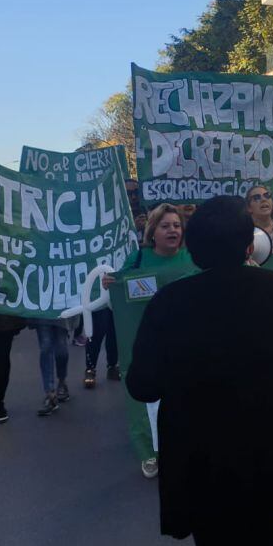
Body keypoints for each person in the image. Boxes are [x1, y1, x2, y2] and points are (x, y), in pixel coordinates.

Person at [127, 196, 273, 546]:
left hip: (201, 458)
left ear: (195, 245)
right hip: (265, 445)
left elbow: (142, 385)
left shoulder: (169, 303)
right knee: (265, 533)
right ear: (249, 244)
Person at [103, 204, 193, 478]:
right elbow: (119, 284)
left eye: (176, 225)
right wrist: (111, 282)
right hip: (148, 341)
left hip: (187, 342)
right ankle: (148, 451)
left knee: (186, 395)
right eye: (165, 226)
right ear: (152, 232)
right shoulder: (138, 260)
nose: (172, 230)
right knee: (144, 396)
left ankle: (185, 445)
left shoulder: (193, 257)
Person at [32, 316, 76, 417]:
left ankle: (62, 380)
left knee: (61, 349)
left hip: (61, 310)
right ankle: (50, 393)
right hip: (42, 312)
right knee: (45, 347)